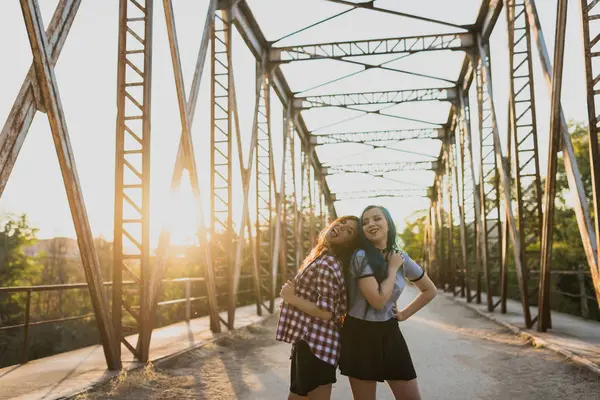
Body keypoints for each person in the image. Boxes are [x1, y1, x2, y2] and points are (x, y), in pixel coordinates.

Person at [339, 205, 437, 400]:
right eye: (365, 222)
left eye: (377, 218)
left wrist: (403, 314)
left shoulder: (400, 257)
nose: (371, 224)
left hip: (390, 332)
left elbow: (430, 290)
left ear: (389, 224)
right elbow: (377, 301)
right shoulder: (360, 256)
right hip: (359, 333)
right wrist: (392, 269)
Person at [276, 215, 360, 400]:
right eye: (343, 222)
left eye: (349, 231)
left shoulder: (328, 263)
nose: (342, 227)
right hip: (308, 341)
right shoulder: (323, 257)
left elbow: (325, 312)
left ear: (348, 244)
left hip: (316, 345)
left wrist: (291, 298)